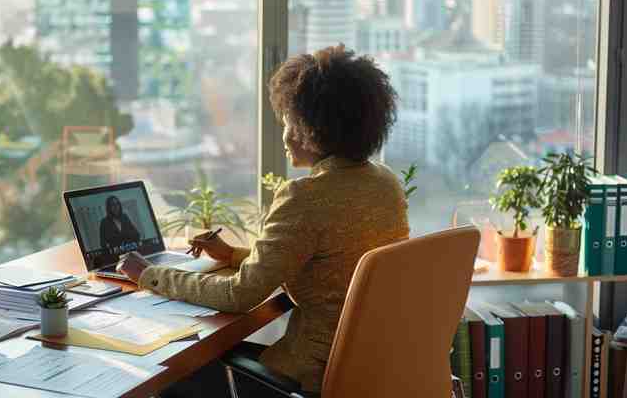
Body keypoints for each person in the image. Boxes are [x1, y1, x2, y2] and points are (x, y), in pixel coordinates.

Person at [118, 44, 410, 396]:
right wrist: (232, 255)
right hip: (368, 366)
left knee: (173, 372)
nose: (284, 133)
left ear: (312, 129)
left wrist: (148, 274)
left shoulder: (306, 197)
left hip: (315, 372)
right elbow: (326, 258)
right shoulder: (384, 182)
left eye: (289, 121)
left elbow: (239, 294)